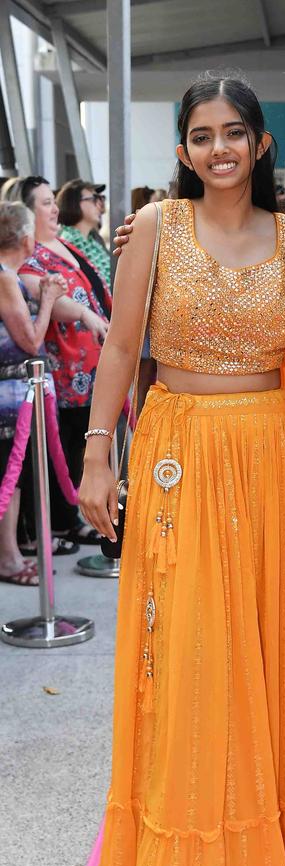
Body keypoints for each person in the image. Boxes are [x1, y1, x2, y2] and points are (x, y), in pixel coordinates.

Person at [79, 74, 285, 866]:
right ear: (182, 149)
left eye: (235, 134)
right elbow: (118, 343)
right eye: (200, 135)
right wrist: (100, 452)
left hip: (270, 463)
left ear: (264, 145)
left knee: (259, 662)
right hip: (182, 451)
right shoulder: (155, 228)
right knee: (186, 665)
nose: (218, 149)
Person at [17, 176, 110, 546]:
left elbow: (95, 287)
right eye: (43, 203)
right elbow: (52, 301)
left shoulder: (65, 245)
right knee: (67, 445)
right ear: (25, 211)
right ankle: (65, 519)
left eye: (52, 200)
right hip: (65, 367)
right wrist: (87, 316)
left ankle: (79, 515)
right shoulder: (28, 254)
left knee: (84, 443)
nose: (54, 208)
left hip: (94, 359)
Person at [0, 202, 65, 584]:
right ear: (26, 238)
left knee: (14, 476)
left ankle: (10, 553)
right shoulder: (6, 277)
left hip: (12, 398)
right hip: (8, 399)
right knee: (10, 477)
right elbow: (31, 340)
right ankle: (8, 559)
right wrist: (51, 299)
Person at [57, 178, 112, 286]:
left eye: (101, 198)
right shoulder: (69, 242)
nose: (100, 205)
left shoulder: (92, 240)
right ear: (74, 203)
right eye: (94, 198)